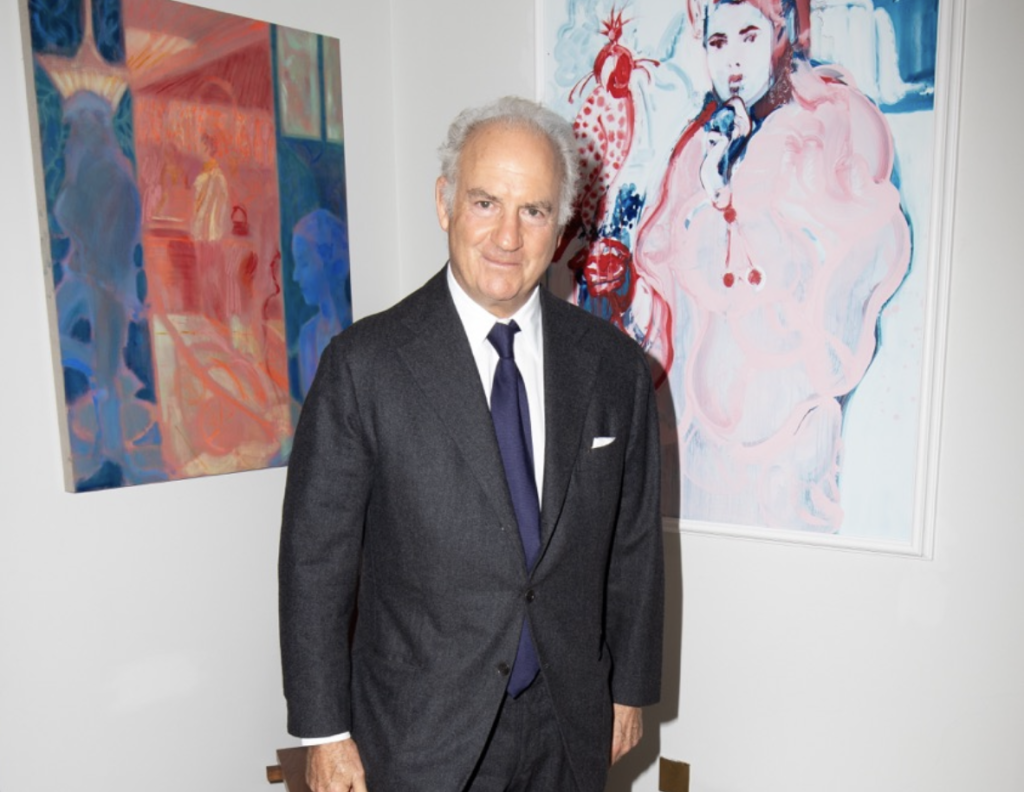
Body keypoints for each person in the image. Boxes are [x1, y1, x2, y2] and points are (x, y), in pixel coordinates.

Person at [278, 96, 664, 792]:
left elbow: (632, 546)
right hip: (419, 734)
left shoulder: (614, 368)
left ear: (560, 227)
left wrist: (631, 689)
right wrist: (324, 732)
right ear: (444, 202)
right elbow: (314, 564)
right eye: (486, 203)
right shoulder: (364, 366)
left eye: (533, 211)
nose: (507, 237)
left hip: (569, 723)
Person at [633, 0, 910, 530]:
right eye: (718, 43)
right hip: (715, 384)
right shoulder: (701, 144)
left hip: (787, 385)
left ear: (779, 36)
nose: (733, 60)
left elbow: (822, 257)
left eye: (749, 36)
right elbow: (672, 263)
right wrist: (714, 192)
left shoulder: (817, 125)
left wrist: (730, 204)